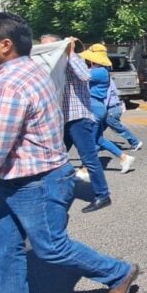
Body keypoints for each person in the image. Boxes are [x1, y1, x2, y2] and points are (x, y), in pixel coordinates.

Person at [0, 13, 140, 293]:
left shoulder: (12, 81)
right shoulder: (19, 72)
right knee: (6, 245)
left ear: (5, 45)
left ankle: (118, 272)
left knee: (51, 247)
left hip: (37, 181)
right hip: (19, 179)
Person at [39, 34, 111, 213]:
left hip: (78, 117)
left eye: (50, 46)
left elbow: (85, 76)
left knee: (89, 159)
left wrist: (70, 52)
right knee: (54, 158)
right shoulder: (51, 66)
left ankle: (102, 195)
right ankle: (54, 191)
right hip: (61, 119)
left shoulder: (73, 60)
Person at [80, 43, 136, 174]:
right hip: (97, 107)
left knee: (90, 140)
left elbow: (81, 75)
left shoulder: (99, 71)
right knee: (98, 138)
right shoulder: (100, 70)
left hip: (95, 107)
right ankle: (124, 157)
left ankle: (85, 169)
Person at [103, 77, 142, 152]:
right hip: (114, 108)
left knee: (117, 127)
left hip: (111, 109)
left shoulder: (105, 81)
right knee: (98, 129)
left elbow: (106, 98)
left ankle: (135, 142)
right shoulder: (107, 79)